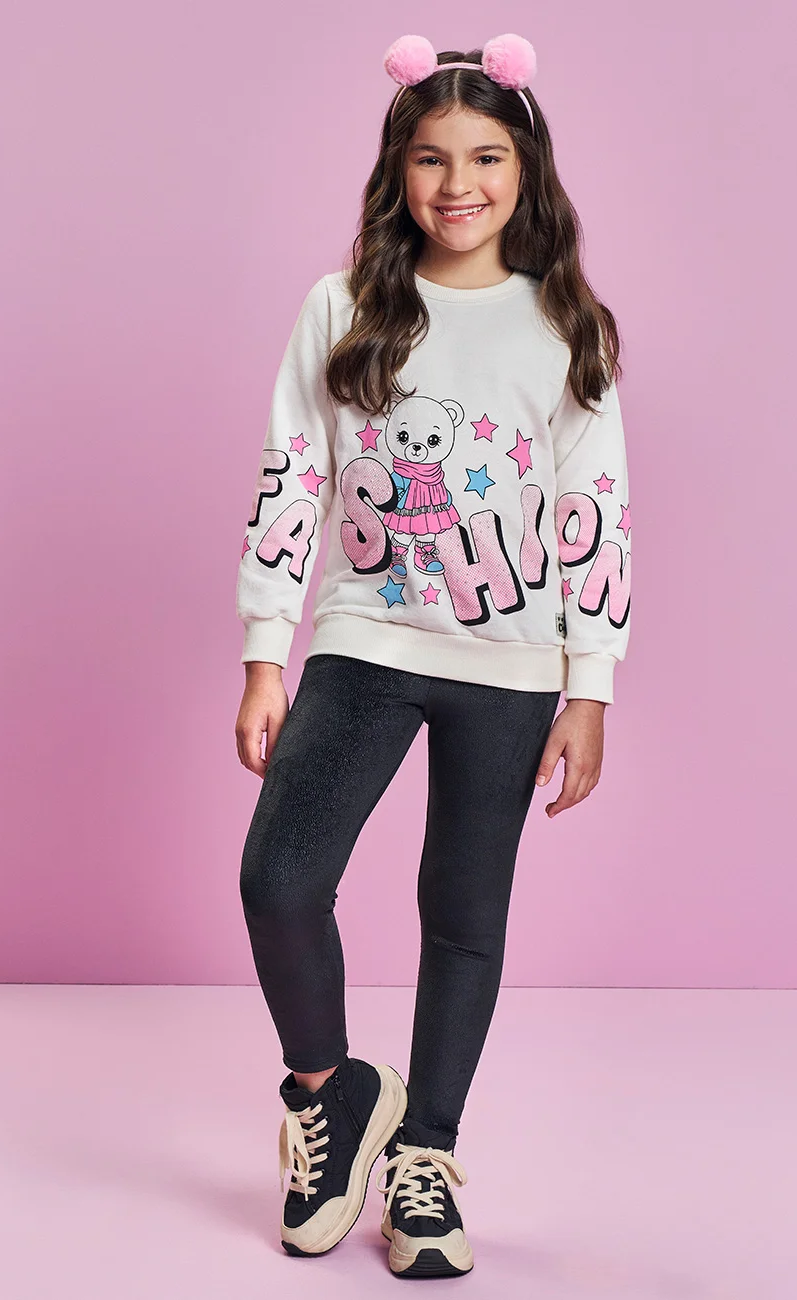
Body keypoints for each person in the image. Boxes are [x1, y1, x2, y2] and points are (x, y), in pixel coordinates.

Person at [234, 32, 632, 1279]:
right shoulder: (342, 304)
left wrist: (588, 686)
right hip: (362, 642)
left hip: (511, 669)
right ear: (396, 170)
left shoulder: (564, 324)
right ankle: (333, 1092)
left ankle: (426, 1159)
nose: (457, 183)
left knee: (462, 916)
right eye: (430, 158)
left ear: (525, 170)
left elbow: (594, 508)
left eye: (485, 157)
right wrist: (264, 652)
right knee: (279, 879)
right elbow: (294, 472)